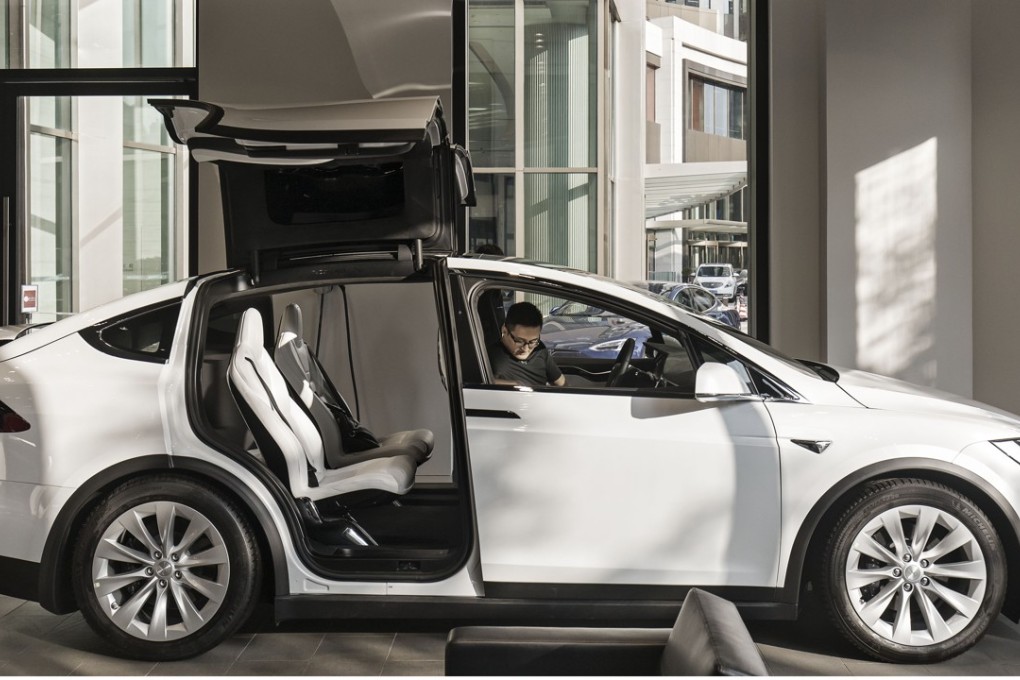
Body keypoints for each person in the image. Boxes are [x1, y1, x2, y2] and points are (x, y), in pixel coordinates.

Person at [489, 301, 565, 387]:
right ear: (504, 331)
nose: (526, 349)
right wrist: (514, 385)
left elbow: (561, 383)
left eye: (532, 341)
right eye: (519, 341)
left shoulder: (539, 349)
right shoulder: (489, 357)